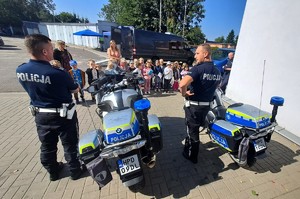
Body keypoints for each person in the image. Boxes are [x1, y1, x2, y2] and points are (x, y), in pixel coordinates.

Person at [16, 34, 84, 181]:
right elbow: (74, 90)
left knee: (47, 146)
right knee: (70, 145)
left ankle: (53, 172)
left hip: (41, 116)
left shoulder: (21, 70)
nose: (53, 50)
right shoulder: (58, 73)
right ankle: (75, 171)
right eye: (51, 48)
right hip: (63, 116)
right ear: (45, 52)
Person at [179, 44, 221, 164]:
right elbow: (215, 87)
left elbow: (182, 84)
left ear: (205, 54)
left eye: (197, 53)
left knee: (192, 131)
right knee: (196, 127)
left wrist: (183, 93)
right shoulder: (217, 71)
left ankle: (192, 156)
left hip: (193, 106)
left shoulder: (198, 69)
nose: (195, 55)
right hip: (206, 106)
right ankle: (191, 148)